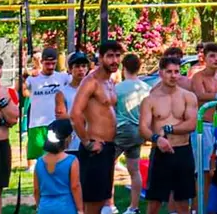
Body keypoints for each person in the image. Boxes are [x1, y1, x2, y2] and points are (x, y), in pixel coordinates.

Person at [139, 56, 199, 214]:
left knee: (182, 202)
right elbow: (143, 128)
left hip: (183, 151)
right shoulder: (150, 99)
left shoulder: (188, 96)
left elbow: (191, 124)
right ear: (160, 73)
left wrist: (168, 129)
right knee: (154, 202)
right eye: (169, 72)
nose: (173, 75)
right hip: (160, 153)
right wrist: (157, 139)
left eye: (177, 72)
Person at [70, 40, 121, 214]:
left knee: (102, 200)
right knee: (91, 203)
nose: (114, 60)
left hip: (108, 147)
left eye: (117, 56)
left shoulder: (110, 81)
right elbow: (75, 114)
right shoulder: (90, 81)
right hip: (95, 148)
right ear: (100, 58)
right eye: (110, 56)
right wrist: (87, 142)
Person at [113, 53, 151, 214]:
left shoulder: (117, 88)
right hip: (139, 131)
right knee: (134, 170)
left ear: (123, 68)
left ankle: (109, 205)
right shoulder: (146, 88)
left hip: (121, 131)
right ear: (140, 67)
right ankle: (133, 207)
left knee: (107, 167)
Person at [190, 42, 217, 205]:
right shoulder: (198, 76)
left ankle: (212, 206)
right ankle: (198, 208)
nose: (216, 59)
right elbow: (199, 95)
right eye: (212, 56)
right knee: (203, 172)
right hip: (202, 127)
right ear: (204, 58)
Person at [25, 48, 72, 164]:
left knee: (57, 156)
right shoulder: (33, 79)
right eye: (47, 63)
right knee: (40, 159)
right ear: (42, 62)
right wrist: (26, 73)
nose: (50, 66)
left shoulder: (62, 77)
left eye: (53, 63)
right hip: (37, 124)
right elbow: (20, 89)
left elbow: (79, 80)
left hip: (56, 123)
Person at [0, 55, 18, 214]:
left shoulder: (9, 92)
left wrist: (1, 101)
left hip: (1, 145)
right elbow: (6, 120)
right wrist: (1, 121)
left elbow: (13, 118)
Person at [33, 118, 83, 214]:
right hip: (66, 206)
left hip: (45, 207)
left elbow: (36, 189)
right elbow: (75, 186)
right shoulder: (71, 160)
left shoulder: (39, 162)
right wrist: (80, 209)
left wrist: (39, 206)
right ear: (67, 138)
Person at [55, 52, 90, 157]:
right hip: (72, 142)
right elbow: (61, 116)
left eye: (83, 66)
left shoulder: (93, 90)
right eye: (77, 66)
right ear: (70, 69)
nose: (81, 69)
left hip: (91, 139)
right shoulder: (62, 92)